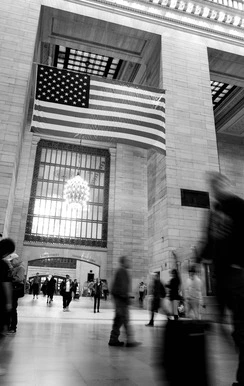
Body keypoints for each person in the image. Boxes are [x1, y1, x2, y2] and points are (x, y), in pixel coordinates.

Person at [198, 171, 244, 386]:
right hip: (220, 276)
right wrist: (198, 257)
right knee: (223, 325)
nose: (215, 189)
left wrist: (240, 262)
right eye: (212, 185)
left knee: (240, 327)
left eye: (217, 184)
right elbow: (209, 240)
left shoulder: (238, 205)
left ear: (225, 184)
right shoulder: (213, 211)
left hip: (237, 274)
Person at [108, 255, 139, 347]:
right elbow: (122, 287)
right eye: (127, 261)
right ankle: (128, 340)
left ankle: (114, 339)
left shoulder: (121, 271)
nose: (129, 262)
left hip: (120, 300)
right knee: (124, 319)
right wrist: (126, 297)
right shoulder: (122, 271)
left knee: (119, 320)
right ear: (123, 262)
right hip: (121, 300)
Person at [0, 238, 15, 375]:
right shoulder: (3, 265)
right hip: (0, 302)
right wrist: (9, 303)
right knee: (1, 332)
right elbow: (6, 285)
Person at [7, 253, 25, 333]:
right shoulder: (12, 268)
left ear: (16, 260)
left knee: (13, 308)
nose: (10, 263)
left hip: (15, 290)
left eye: (12, 261)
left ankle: (13, 327)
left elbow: (19, 278)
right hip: (11, 290)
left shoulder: (20, 268)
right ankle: (8, 325)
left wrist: (9, 278)